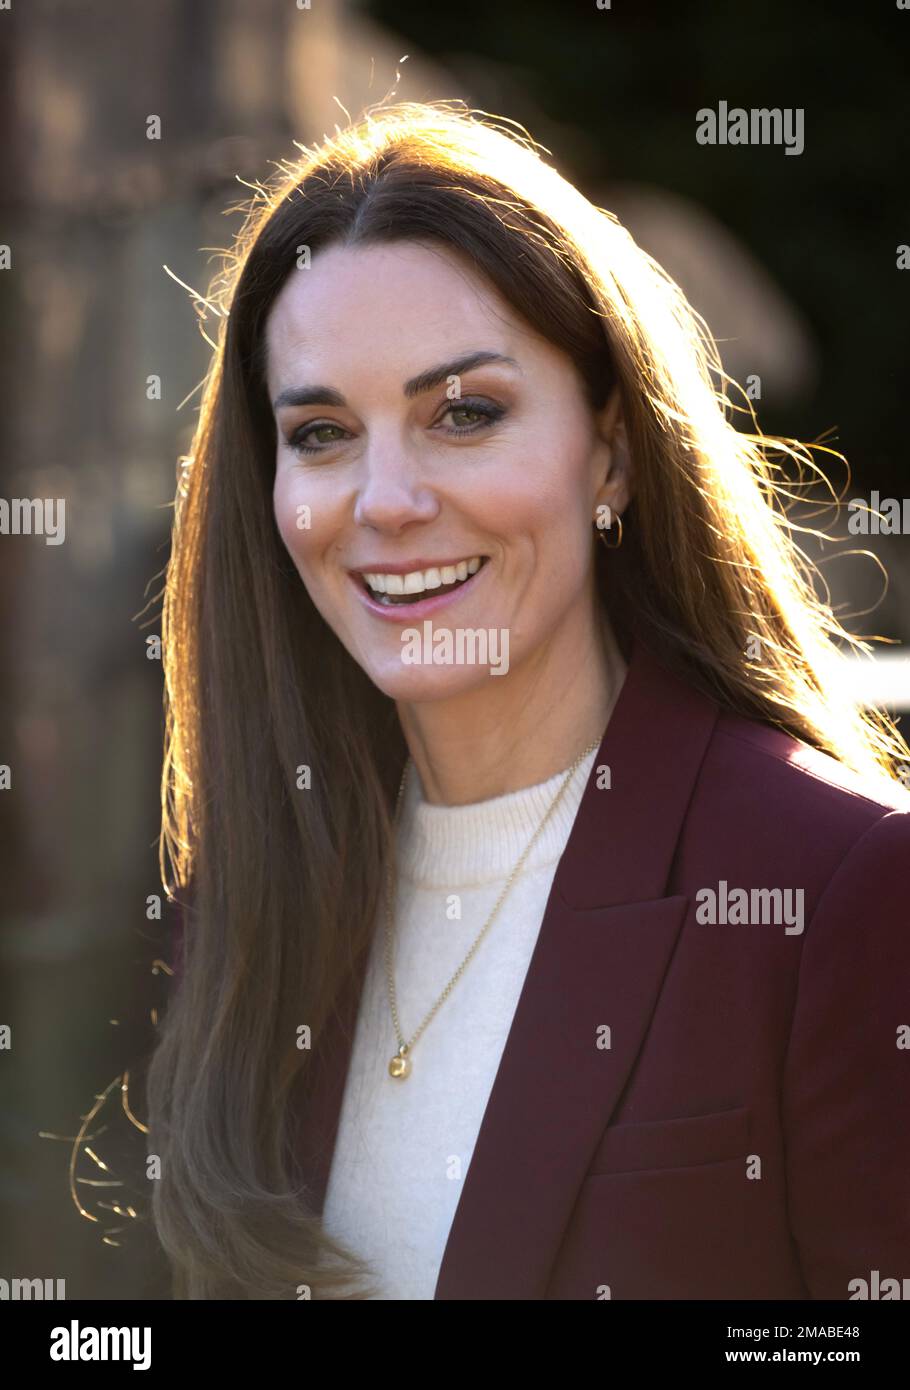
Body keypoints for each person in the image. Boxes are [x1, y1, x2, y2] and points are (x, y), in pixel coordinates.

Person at [148, 99, 910, 1300]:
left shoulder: (839, 887)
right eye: (324, 430)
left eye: (465, 413)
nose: (385, 500)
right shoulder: (248, 885)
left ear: (608, 450)